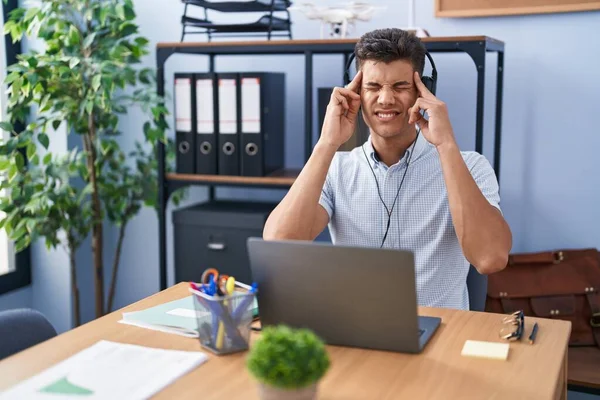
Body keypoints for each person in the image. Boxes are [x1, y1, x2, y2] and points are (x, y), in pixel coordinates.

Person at [263, 28, 512, 310]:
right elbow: (278, 244)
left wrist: (446, 145)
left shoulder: (470, 166)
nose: (385, 99)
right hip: (359, 332)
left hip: (441, 335)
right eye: (373, 87)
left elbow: (491, 258)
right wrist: (326, 143)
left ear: (423, 90)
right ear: (355, 92)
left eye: (400, 86)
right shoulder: (337, 168)